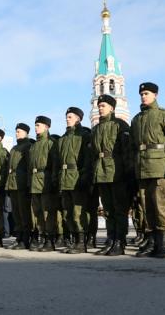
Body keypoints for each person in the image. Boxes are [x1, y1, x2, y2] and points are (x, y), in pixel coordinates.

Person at [131, 83, 165, 259]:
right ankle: (151, 242)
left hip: (159, 168)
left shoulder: (164, 116)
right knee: (147, 208)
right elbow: (133, 147)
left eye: (147, 93)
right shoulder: (136, 119)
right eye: (141, 94)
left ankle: (161, 246)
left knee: (160, 207)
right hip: (142, 168)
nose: (143, 96)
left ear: (155, 95)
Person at [92, 94, 132, 256]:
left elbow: (127, 150)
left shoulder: (120, 125)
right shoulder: (96, 129)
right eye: (99, 105)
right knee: (108, 209)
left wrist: (127, 171)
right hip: (101, 172)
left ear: (112, 108)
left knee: (119, 208)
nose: (100, 108)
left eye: (103, 105)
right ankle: (111, 239)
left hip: (117, 172)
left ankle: (120, 241)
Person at [58, 107, 92, 254]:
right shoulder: (63, 139)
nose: (67, 118)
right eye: (67, 116)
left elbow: (88, 158)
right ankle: (74, 240)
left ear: (78, 118)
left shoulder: (83, 136)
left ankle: (81, 242)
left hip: (77, 178)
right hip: (64, 179)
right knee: (68, 212)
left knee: (78, 212)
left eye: (70, 116)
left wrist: (84, 176)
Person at [29, 116, 60, 252]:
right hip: (34, 182)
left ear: (47, 127)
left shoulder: (51, 143)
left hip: (45, 181)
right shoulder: (34, 146)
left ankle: (50, 240)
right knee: (38, 213)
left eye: (39, 125)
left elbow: (54, 164)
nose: (36, 128)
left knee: (48, 212)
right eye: (35, 125)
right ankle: (43, 237)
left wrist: (53, 182)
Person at [5, 123, 33, 250]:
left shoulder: (28, 146)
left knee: (24, 213)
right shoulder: (14, 148)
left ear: (26, 133)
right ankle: (19, 238)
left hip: (22, 184)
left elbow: (29, 167)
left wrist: (28, 184)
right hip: (13, 184)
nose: (17, 133)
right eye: (16, 131)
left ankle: (26, 239)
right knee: (16, 213)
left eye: (19, 131)